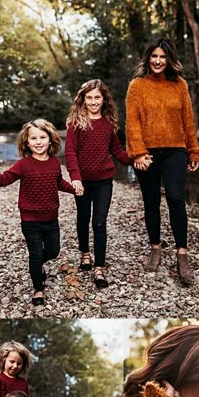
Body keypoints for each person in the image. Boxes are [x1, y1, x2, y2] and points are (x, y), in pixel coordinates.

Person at [126, 37, 199, 285]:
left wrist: (194, 150)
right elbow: (132, 122)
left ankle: (182, 255)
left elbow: (188, 120)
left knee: (176, 200)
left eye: (163, 57)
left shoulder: (179, 85)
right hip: (147, 152)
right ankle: (155, 248)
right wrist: (137, 152)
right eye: (154, 56)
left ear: (169, 60)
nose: (158, 61)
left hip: (175, 151)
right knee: (151, 202)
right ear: (148, 58)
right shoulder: (136, 85)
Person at [0, 119, 77, 306]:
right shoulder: (24, 164)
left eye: (43, 137)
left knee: (53, 251)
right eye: (33, 138)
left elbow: (58, 183)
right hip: (30, 219)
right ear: (26, 142)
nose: (38, 142)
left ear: (51, 140)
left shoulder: (55, 163)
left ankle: (37, 264)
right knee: (35, 254)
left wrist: (74, 188)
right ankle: (38, 289)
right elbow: (3, 180)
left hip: (51, 218)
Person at [64, 79, 132, 288]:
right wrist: (75, 177)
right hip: (82, 182)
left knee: (99, 222)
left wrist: (136, 159)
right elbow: (70, 153)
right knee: (83, 219)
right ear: (83, 100)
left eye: (97, 98)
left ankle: (99, 269)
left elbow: (117, 151)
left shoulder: (108, 124)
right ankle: (85, 253)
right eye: (90, 98)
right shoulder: (76, 123)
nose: (93, 102)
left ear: (104, 100)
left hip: (104, 181)